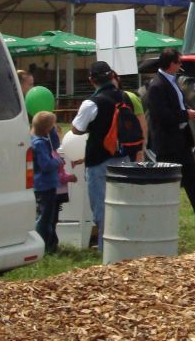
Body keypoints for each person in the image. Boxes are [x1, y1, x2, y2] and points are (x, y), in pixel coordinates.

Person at [144, 48, 195, 224]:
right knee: (165, 183)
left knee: (193, 179)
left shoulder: (171, 81)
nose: (181, 65)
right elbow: (161, 115)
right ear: (171, 64)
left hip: (181, 139)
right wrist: (185, 115)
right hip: (167, 142)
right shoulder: (157, 86)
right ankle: (158, 219)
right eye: (179, 62)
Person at [71, 61, 134, 251]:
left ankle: (106, 249)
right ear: (111, 76)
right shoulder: (126, 97)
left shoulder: (92, 103)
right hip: (124, 156)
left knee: (101, 208)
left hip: (99, 159)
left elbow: (76, 129)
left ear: (92, 80)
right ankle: (127, 244)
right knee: (123, 204)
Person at [30, 111, 63, 253]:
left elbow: (55, 144)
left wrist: (53, 131)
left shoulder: (41, 140)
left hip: (46, 184)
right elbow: (45, 165)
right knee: (44, 218)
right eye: (52, 126)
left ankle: (48, 244)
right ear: (45, 129)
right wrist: (58, 161)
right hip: (44, 185)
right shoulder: (39, 144)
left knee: (47, 217)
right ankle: (42, 246)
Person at [112, 71, 147, 161]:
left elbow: (142, 125)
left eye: (111, 79)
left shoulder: (131, 97)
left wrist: (141, 150)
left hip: (130, 151)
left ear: (118, 80)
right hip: (108, 153)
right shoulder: (99, 100)